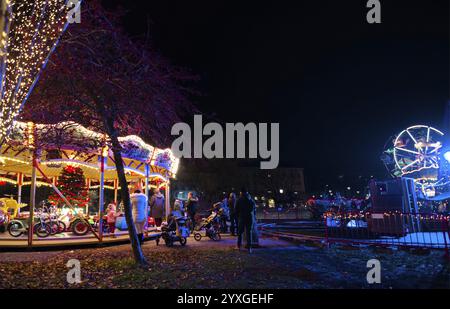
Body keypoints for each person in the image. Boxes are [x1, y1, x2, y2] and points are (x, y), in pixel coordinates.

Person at [235, 188, 256, 253]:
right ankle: (249, 247)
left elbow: (236, 210)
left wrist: (238, 216)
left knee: (240, 232)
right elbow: (253, 209)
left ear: (241, 193)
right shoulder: (250, 200)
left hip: (242, 217)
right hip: (249, 217)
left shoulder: (239, 200)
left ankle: (239, 246)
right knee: (249, 233)